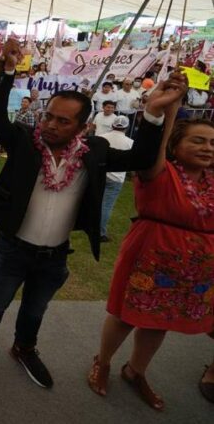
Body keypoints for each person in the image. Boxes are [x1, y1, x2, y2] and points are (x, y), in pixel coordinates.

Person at [0, 40, 185, 389]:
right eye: (48, 116)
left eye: (62, 121)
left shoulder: (94, 151)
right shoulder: (24, 141)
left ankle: (24, 348)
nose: (50, 124)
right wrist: (7, 72)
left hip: (54, 255)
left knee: (34, 311)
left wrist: (154, 114)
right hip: (12, 249)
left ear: (82, 126)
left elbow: (141, 159)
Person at [88, 117, 212, 411]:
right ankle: (102, 363)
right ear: (174, 144)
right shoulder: (159, 171)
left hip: (194, 267)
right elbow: (155, 146)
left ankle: (135, 371)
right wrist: (170, 111)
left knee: (161, 320)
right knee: (126, 314)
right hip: (153, 255)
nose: (207, 148)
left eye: (212, 142)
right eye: (198, 140)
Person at [98, 116, 133, 242]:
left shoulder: (102, 137)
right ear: (126, 127)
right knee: (106, 205)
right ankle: (100, 233)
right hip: (116, 178)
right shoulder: (130, 142)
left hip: (100, 174)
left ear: (113, 125)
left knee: (95, 202)